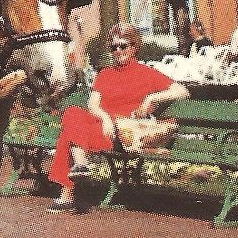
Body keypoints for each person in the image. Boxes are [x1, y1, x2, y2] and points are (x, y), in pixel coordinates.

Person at [46, 23, 190, 213]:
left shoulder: (147, 73)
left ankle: (69, 191)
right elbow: (93, 105)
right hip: (102, 124)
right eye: (114, 47)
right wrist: (105, 118)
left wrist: (153, 97)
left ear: (134, 46)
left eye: (123, 46)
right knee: (71, 112)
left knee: (67, 136)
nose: (118, 51)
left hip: (120, 132)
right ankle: (80, 165)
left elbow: (182, 91)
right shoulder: (105, 73)